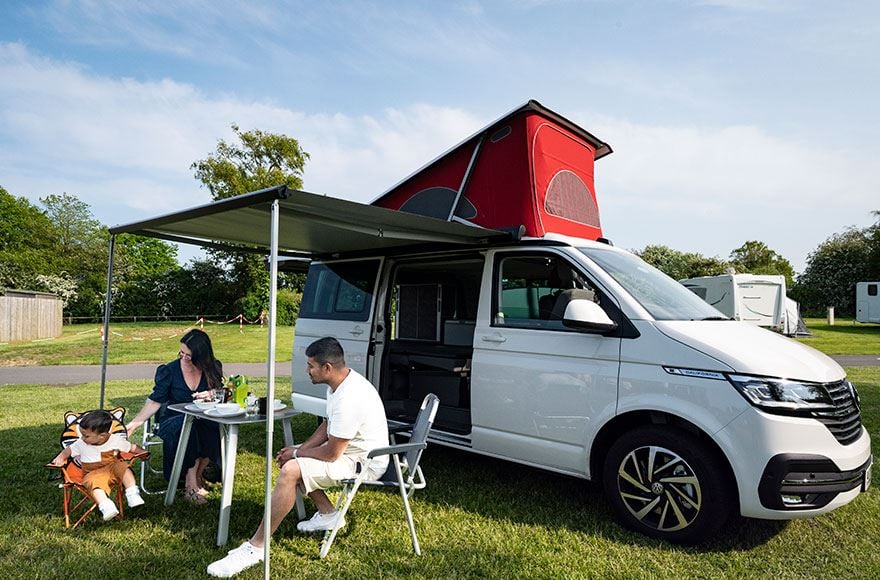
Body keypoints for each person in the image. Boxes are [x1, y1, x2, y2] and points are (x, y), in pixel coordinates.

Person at [207, 337, 389, 577]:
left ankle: (256, 547)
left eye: (311, 366)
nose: (307, 370)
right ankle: (329, 515)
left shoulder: (350, 397)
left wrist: (298, 453)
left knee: (291, 469)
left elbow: (332, 454)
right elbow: (327, 425)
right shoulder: (339, 384)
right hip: (349, 452)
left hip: (363, 463)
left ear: (327, 368)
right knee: (292, 458)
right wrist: (297, 448)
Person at [126, 328, 223, 505]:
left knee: (215, 427)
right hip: (173, 419)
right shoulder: (169, 370)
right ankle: (191, 484)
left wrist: (210, 394)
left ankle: (198, 475)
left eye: (189, 355)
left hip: (203, 417)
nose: (184, 358)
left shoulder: (212, 368)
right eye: (182, 353)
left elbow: (221, 393)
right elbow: (155, 400)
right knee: (188, 428)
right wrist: (135, 423)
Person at [51, 409, 146, 521]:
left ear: (102, 436)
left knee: (123, 467)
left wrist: (142, 453)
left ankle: (132, 493)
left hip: (112, 469)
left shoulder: (114, 440)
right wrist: (60, 458)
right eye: (82, 435)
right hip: (92, 473)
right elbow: (68, 451)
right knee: (93, 484)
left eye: (86, 436)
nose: (82, 438)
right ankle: (106, 506)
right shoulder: (81, 443)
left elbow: (131, 447)